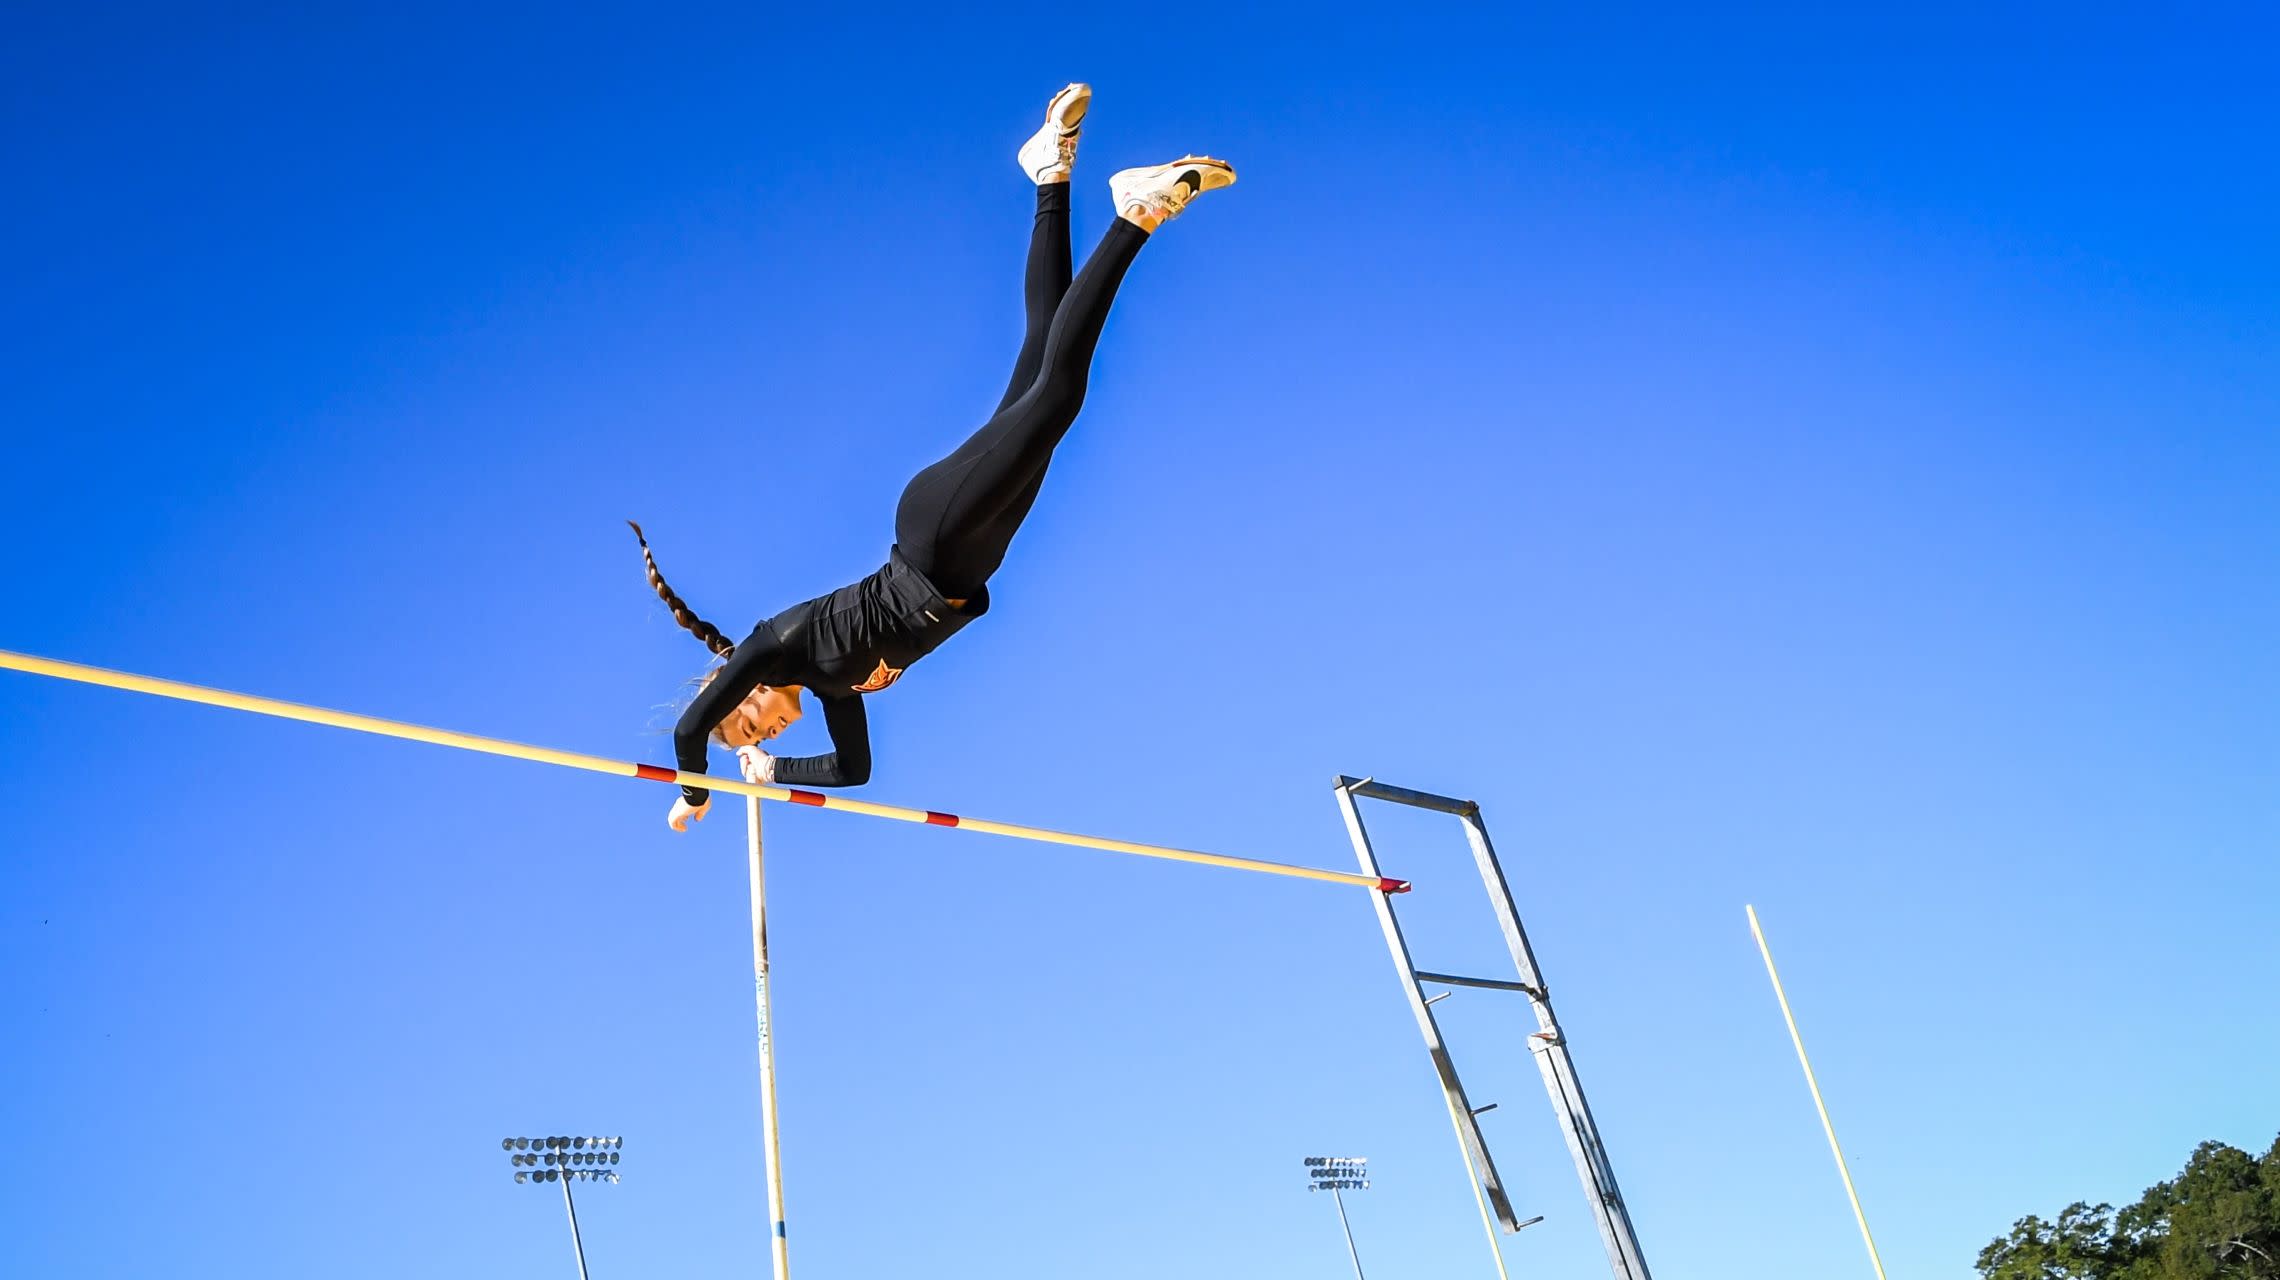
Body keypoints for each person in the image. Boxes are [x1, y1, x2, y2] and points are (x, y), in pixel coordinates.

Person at [633, 82, 1235, 832]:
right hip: (974, 559)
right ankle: (1051, 173)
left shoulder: (772, 646)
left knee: (1057, 400)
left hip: (934, 534)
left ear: (738, 690)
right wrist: (772, 772)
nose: (763, 732)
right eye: (757, 737)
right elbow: (856, 770)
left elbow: (689, 733)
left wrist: (697, 794)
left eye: (749, 726)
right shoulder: (835, 691)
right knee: (1038, 367)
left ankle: (1137, 213)